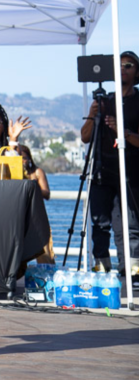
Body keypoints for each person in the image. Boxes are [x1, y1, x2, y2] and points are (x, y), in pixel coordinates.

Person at [80, 51, 139, 277]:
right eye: (120, 65)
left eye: (129, 65)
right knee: (100, 226)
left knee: (131, 227)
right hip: (101, 171)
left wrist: (121, 131)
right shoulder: (104, 101)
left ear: (136, 71)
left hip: (131, 173)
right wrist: (91, 114)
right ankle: (101, 272)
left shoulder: (138, 100)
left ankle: (133, 274)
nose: (123, 68)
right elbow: (85, 137)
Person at [19, 144, 55, 264]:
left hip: (36, 217)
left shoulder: (37, 172)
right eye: (18, 157)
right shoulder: (11, 173)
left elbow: (47, 194)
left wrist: (33, 186)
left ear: (29, 159)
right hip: (19, 217)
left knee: (44, 253)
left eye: (24, 157)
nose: (21, 160)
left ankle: (46, 278)